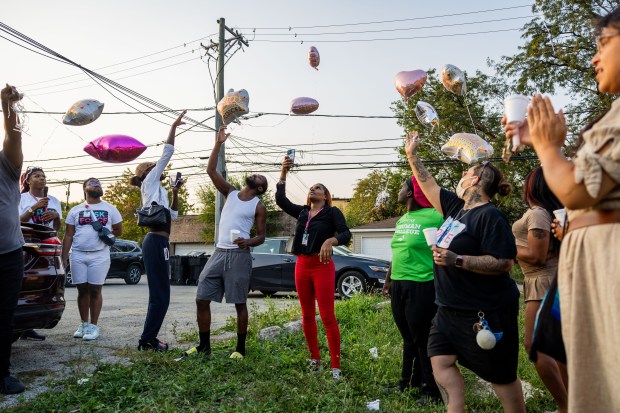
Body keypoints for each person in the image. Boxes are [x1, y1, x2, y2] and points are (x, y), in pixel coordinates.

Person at [503, 7, 620, 411]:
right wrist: (539, 141)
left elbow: (577, 192)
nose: (594, 57)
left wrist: (549, 146)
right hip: (592, 268)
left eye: (603, 43)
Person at [404, 131, 525, 413]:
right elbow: (428, 184)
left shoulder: (490, 216)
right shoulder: (457, 210)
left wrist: (458, 260)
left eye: (466, 171)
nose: (461, 174)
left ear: (475, 180)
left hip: (485, 311)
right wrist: (412, 155)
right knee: (440, 361)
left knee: (501, 377)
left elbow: (504, 262)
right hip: (448, 310)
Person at [186, 125, 267, 359]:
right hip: (219, 253)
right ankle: (204, 346)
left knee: (239, 302)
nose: (256, 174)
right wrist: (219, 142)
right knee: (201, 298)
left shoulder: (258, 206)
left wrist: (248, 242)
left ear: (260, 187)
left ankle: (240, 349)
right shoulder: (230, 192)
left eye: (259, 177)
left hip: (239, 256)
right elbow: (211, 170)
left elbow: (262, 237)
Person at [276, 156, 351, 381]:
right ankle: (315, 359)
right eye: (312, 187)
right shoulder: (301, 212)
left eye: (318, 188)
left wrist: (330, 241)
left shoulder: (332, 212)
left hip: (322, 266)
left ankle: (335, 365)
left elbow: (346, 234)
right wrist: (283, 172)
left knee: (327, 316)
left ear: (325, 196)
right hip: (302, 264)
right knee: (307, 315)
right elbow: (280, 200)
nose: (313, 189)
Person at [382, 176, 443, 401]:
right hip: (399, 284)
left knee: (423, 338)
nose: (398, 190)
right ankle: (407, 383)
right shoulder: (403, 219)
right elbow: (397, 252)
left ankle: (432, 390)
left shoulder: (436, 215)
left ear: (410, 193)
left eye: (402, 187)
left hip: (422, 285)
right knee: (408, 337)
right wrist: (388, 280)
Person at [512, 167, 567, 412]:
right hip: (543, 280)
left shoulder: (537, 213)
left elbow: (538, 255)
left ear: (532, 186)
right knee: (554, 345)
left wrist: (507, 245)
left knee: (535, 345)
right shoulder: (545, 212)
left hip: (543, 281)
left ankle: (566, 404)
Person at [131, 111, 186, 351]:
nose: (159, 168)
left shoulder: (159, 190)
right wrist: (173, 126)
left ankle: (149, 338)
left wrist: (174, 191)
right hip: (154, 242)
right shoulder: (149, 182)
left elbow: (173, 215)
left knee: (162, 293)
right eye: (154, 167)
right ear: (148, 172)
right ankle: (147, 340)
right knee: (160, 294)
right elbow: (168, 152)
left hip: (160, 242)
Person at [62, 178, 123, 341]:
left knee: (95, 289)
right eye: (92, 184)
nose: (97, 185)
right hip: (78, 254)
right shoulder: (76, 210)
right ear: (85, 189)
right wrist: (63, 257)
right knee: (82, 289)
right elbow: (68, 234)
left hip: (99, 255)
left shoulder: (110, 209)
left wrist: (106, 233)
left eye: (99, 184)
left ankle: (94, 326)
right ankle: (84, 325)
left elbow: (119, 231)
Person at [0, 84, 26, 395]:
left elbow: (14, 136)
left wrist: (8, 108)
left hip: (8, 254)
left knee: (4, 316)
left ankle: (3, 374)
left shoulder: (7, 165)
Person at [17, 166, 63, 341]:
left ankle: (28, 327)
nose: (42, 178)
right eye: (37, 176)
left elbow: (57, 228)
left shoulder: (53, 200)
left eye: (43, 176)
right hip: (25, 246)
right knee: (23, 284)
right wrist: (34, 208)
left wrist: (56, 217)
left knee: (38, 287)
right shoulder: (21, 199)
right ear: (28, 181)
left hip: (45, 248)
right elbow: (16, 222)